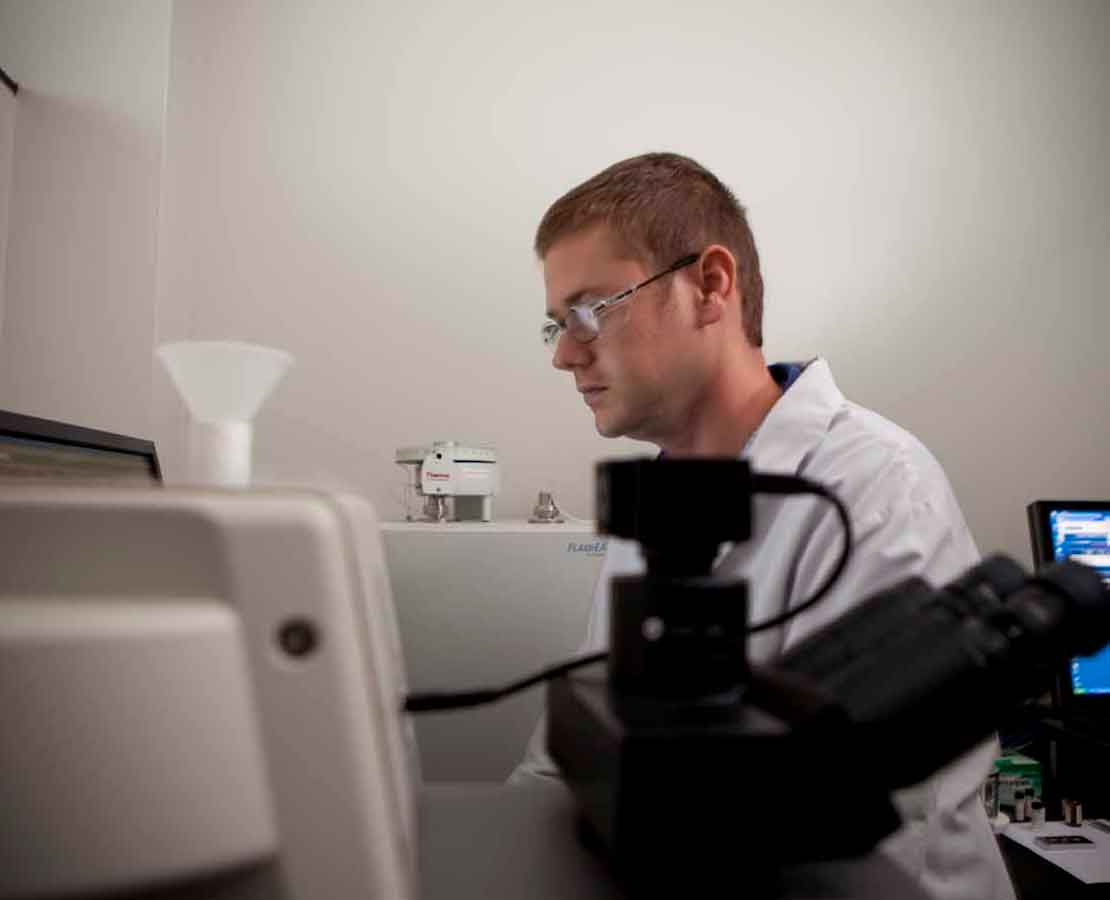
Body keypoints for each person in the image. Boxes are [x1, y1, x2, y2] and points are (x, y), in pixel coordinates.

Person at [509, 152, 1015, 900]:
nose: (563, 354)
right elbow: (577, 757)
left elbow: (865, 826)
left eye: (590, 311)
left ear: (710, 285)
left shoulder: (874, 487)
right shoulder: (658, 502)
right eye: (556, 324)